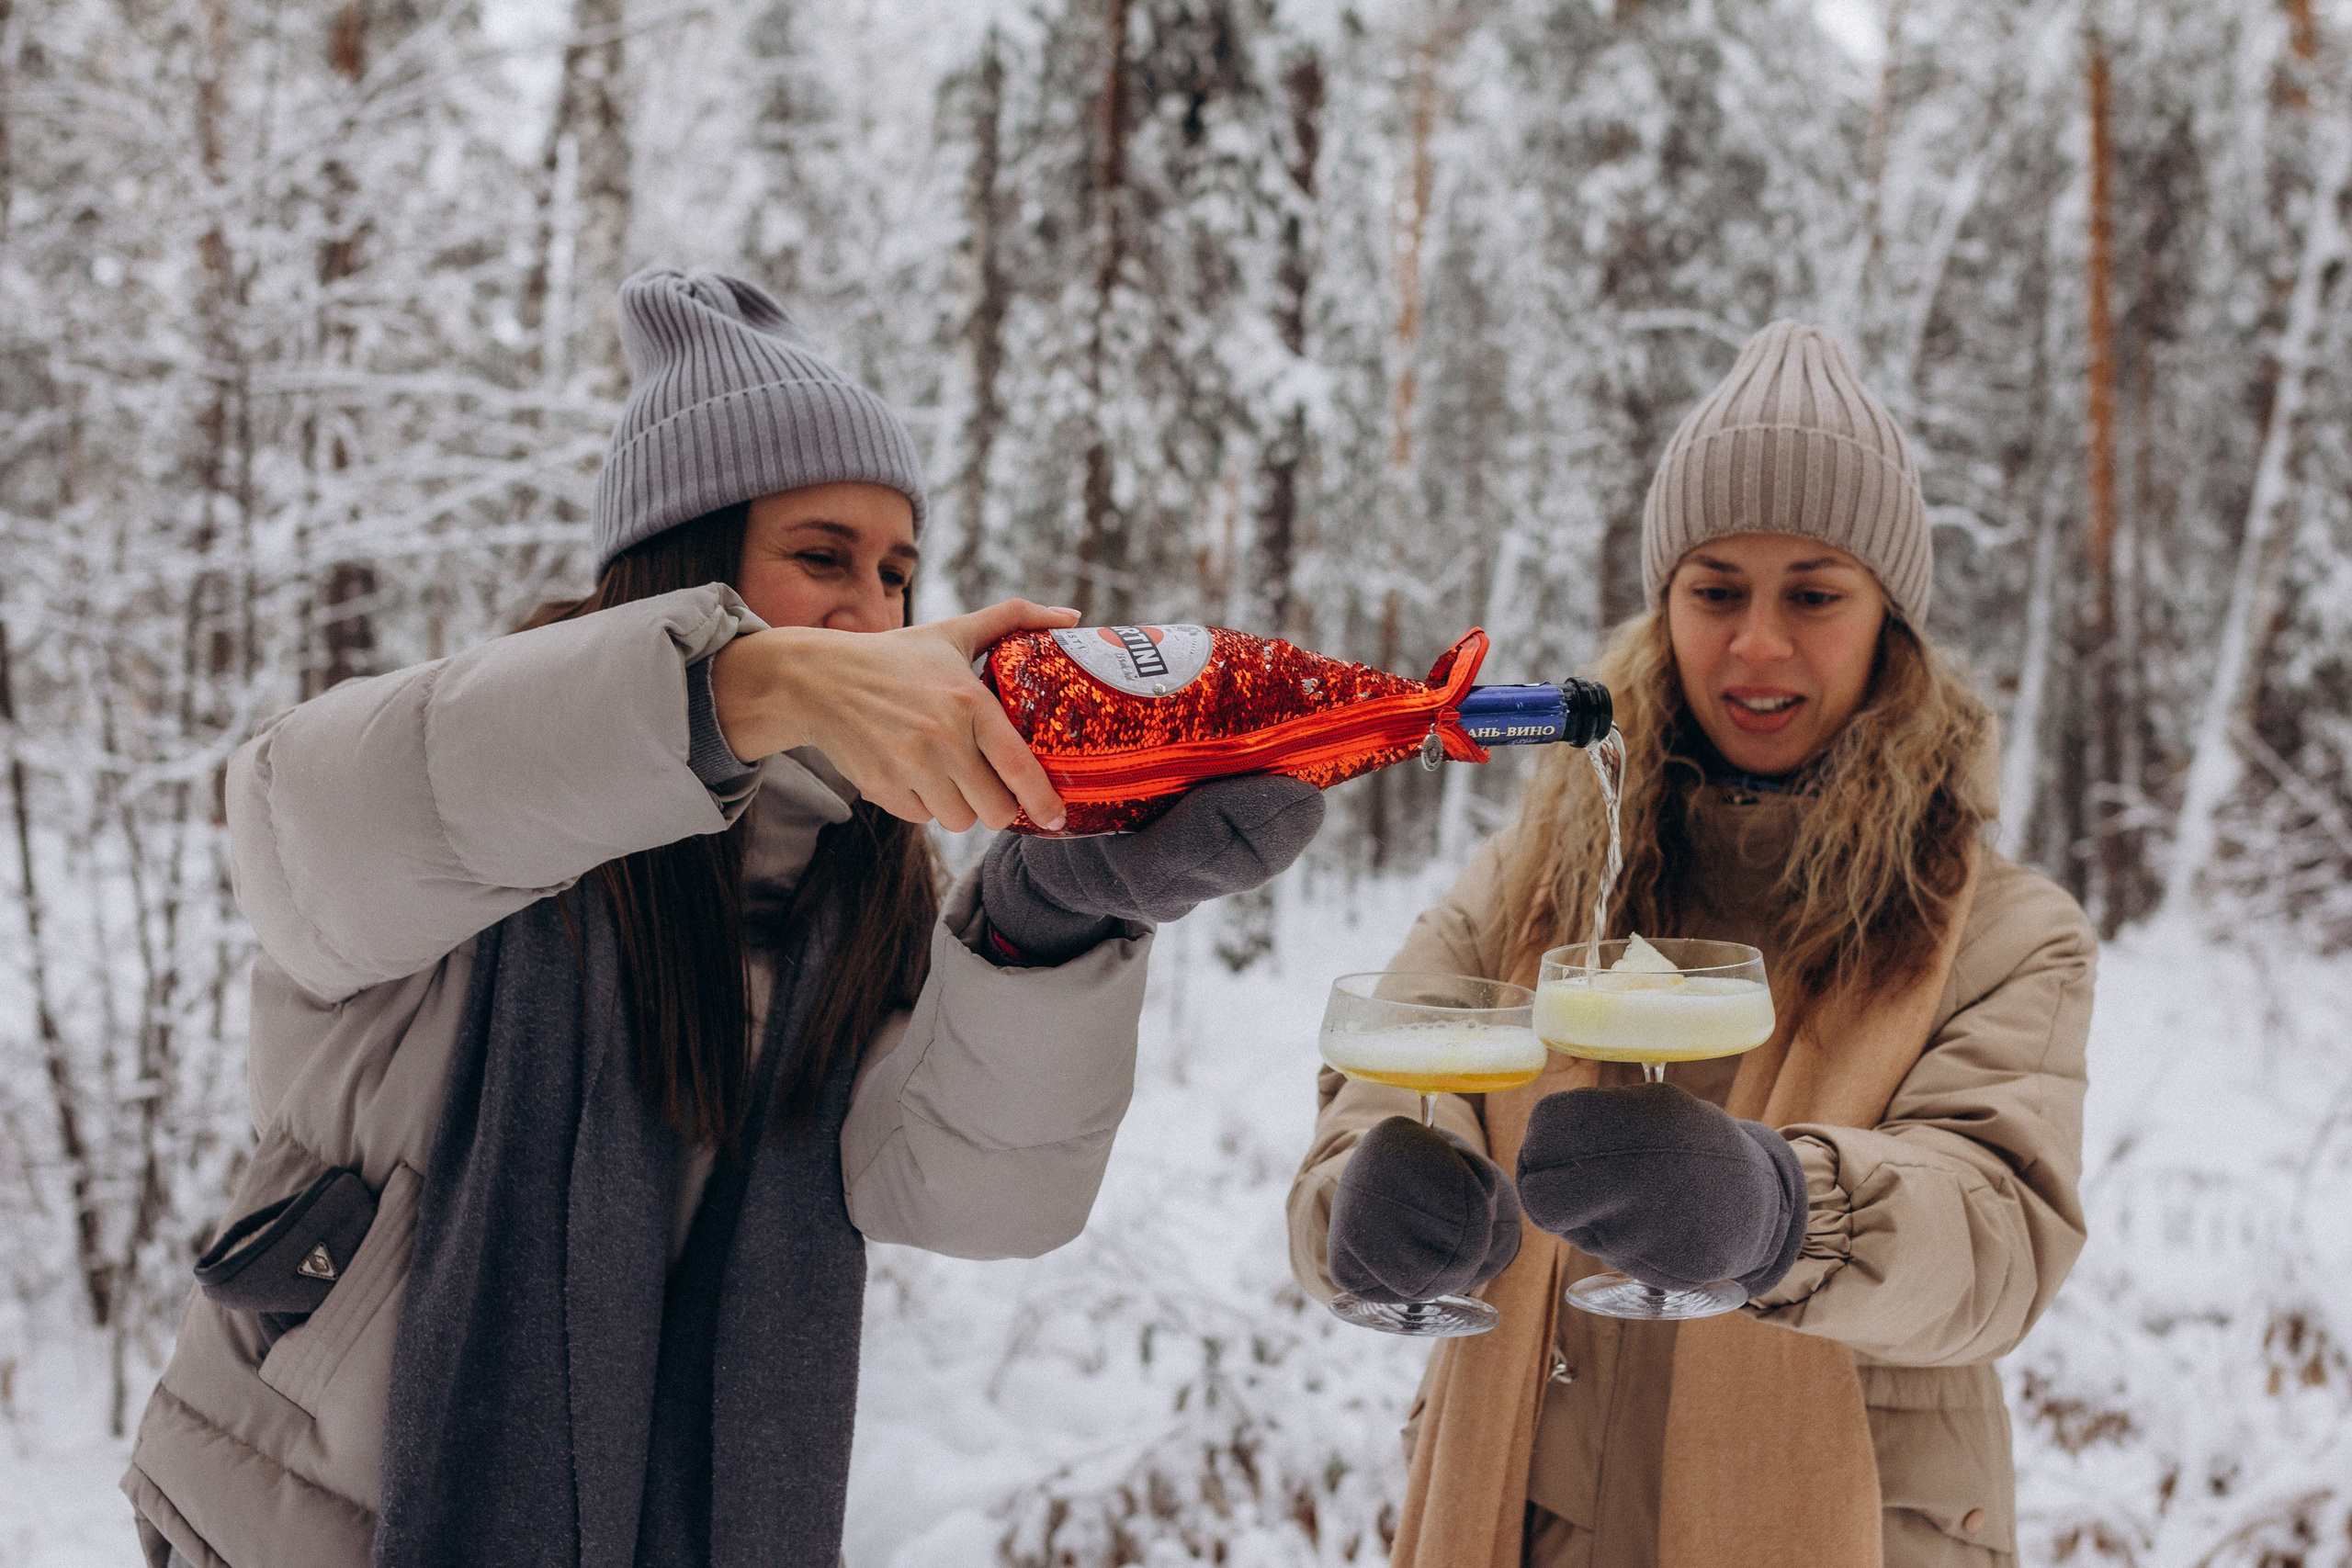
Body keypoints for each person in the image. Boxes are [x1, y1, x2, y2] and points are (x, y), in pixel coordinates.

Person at [123, 269, 1324, 1568]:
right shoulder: (485, 784)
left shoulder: (855, 880)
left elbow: (980, 1196)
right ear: (683, 562)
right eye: (821, 559)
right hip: (291, 1532)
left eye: (896, 575)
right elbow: (296, 824)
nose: (872, 615)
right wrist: (738, 688)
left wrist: (1050, 918)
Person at [1288, 321, 2095, 1568]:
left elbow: (2001, 1241)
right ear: (1666, 605)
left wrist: (1783, 1213)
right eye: (1717, 590)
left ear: (1890, 620)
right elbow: (1388, 1079)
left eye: (1813, 595)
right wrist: (1371, 1204)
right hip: (1539, 1526)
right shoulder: (1535, 875)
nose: (1757, 644)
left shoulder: (2001, 931)